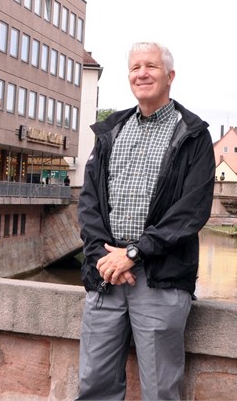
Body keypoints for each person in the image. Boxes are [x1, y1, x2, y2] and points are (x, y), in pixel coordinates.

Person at [76, 42, 215, 400]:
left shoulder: (193, 134)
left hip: (160, 278)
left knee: (159, 391)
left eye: (151, 66)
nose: (142, 74)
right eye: (135, 67)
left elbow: (191, 210)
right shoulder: (112, 130)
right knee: (94, 385)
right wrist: (103, 257)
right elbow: (89, 202)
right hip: (106, 275)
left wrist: (135, 253)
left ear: (170, 76)